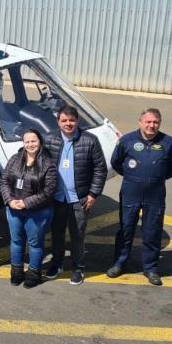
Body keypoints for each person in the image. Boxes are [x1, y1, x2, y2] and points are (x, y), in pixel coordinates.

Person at [108, 108, 172, 286]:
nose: (151, 125)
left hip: (155, 194)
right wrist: (134, 177)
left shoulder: (169, 143)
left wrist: (156, 178)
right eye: (148, 122)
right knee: (126, 229)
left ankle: (150, 268)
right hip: (130, 192)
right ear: (140, 122)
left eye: (155, 122)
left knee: (152, 231)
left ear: (160, 123)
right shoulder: (126, 141)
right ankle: (119, 263)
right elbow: (116, 162)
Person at [43, 106, 108, 285]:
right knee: (56, 234)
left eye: (71, 120)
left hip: (79, 200)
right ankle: (57, 264)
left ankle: (78, 268)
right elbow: (41, 164)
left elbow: (100, 169)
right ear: (58, 122)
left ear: (77, 121)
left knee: (77, 235)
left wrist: (93, 194)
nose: (68, 124)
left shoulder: (90, 141)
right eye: (64, 120)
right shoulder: (50, 139)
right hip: (56, 199)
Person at [0, 130, 58, 288]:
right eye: (27, 142)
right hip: (13, 209)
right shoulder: (14, 159)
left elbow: (48, 192)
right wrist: (10, 200)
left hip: (37, 211)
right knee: (16, 241)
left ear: (40, 142)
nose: (30, 144)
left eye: (34, 141)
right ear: (23, 143)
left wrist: (26, 202)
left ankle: (34, 273)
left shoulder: (48, 164)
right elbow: (4, 181)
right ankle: (16, 272)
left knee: (35, 243)